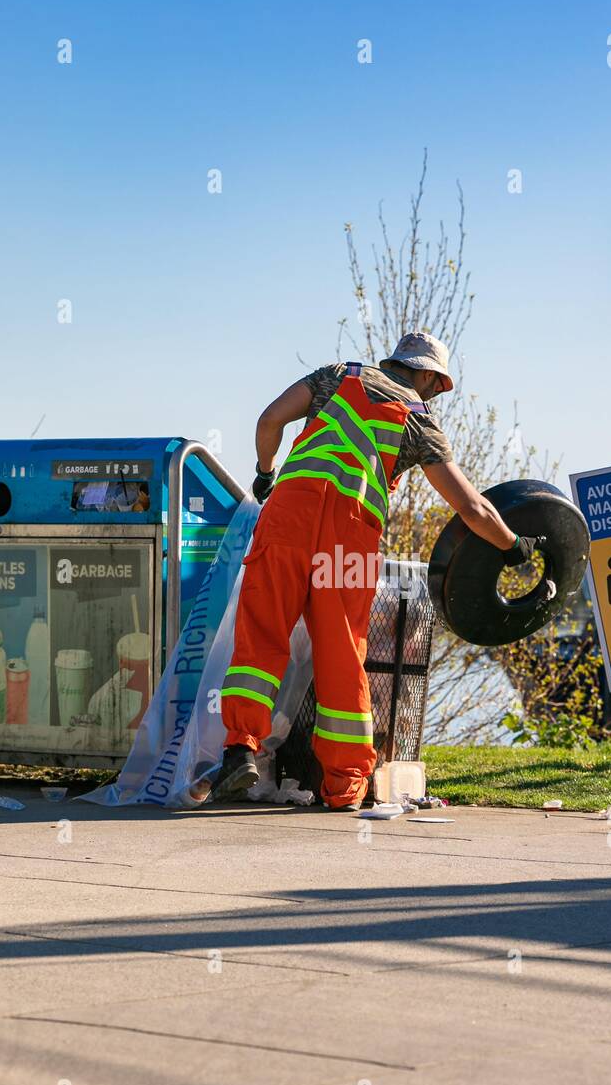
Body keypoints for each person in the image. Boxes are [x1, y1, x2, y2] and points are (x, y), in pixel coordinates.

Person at [204, 332, 537, 810]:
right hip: (349, 539)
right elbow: (471, 506)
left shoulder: (337, 376)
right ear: (425, 374)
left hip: (287, 522)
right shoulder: (420, 422)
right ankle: (344, 786)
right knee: (341, 653)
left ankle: (240, 750)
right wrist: (511, 545)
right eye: (436, 385)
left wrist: (264, 472)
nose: (434, 394)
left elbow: (269, 419)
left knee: (261, 635)